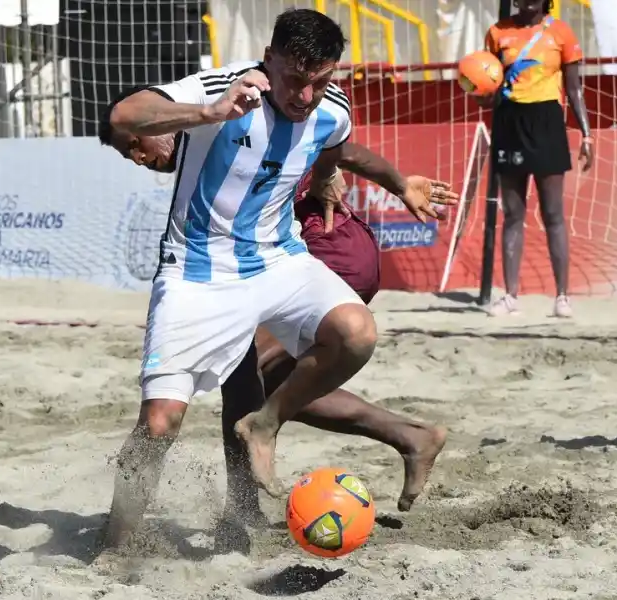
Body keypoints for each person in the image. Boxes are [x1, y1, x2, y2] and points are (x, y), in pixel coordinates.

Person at [100, 8, 458, 550]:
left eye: (322, 81)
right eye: (296, 79)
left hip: (281, 260)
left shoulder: (330, 108)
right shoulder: (228, 88)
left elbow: (336, 146)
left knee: (353, 335)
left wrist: (381, 180)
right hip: (200, 272)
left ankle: (261, 442)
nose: (307, 95)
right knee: (161, 423)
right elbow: (126, 115)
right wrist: (209, 112)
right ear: (269, 59)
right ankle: (116, 545)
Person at [481, 0, 594, 318]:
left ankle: (562, 296)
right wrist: (478, 93)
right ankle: (510, 296)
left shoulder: (561, 32)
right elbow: (488, 82)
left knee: (553, 213)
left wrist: (586, 135)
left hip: (546, 122)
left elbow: (575, 89)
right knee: (513, 212)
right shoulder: (497, 33)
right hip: (509, 121)